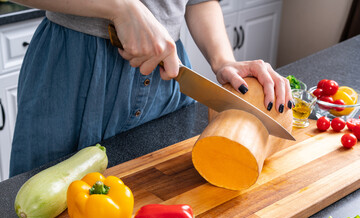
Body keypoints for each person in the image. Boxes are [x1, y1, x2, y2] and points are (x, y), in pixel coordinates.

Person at [9, 0, 293, 177]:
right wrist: (119, 7)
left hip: (164, 73)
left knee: (156, 191)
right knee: (41, 217)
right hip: (72, 71)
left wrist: (223, 61)